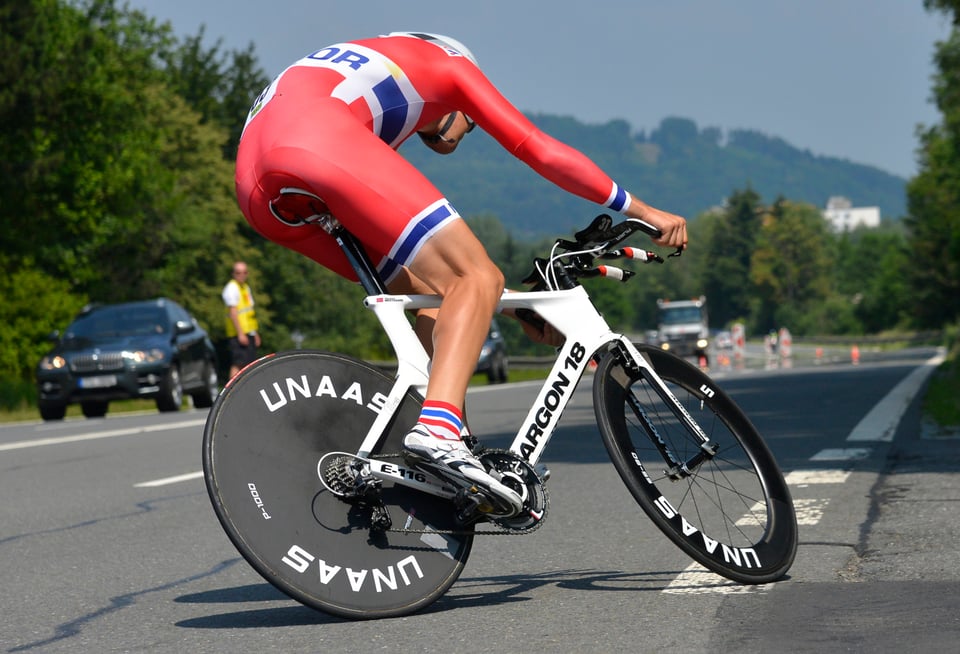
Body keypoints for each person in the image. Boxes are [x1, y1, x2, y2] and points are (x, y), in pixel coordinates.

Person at [234, 32, 688, 514]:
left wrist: (516, 310)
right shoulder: (449, 65)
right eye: (466, 130)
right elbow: (539, 149)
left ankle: (457, 452)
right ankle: (438, 431)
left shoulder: (379, 66)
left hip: (256, 187)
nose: (448, 142)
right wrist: (642, 209)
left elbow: (435, 278)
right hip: (316, 139)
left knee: (430, 292)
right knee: (478, 276)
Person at [222, 261, 261, 378]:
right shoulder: (232, 288)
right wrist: (240, 333)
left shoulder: (245, 288)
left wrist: (255, 334)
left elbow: (249, 314)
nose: (242, 275)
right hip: (237, 334)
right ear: (233, 274)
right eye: (238, 272)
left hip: (249, 332)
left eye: (244, 272)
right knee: (238, 364)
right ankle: (232, 393)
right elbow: (233, 312)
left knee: (249, 364)